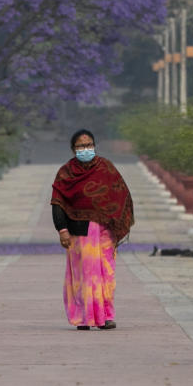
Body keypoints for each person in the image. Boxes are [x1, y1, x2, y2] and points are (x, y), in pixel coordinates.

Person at [51, 129, 134, 331]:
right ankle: (85, 318)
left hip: (106, 232)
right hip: (79, 231)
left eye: (89, 145)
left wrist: (118, 223)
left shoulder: (106, 168)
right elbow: (57, 203)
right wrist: (62, 230)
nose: (85, 149)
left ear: (95, 146)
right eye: (80, 146)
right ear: (73, 149)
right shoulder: (66, 173)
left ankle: (106, 317)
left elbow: (121, 195)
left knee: (106, 274)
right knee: (84, 276)